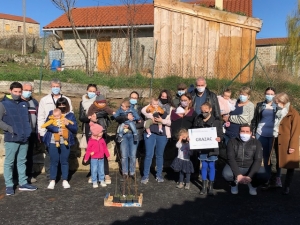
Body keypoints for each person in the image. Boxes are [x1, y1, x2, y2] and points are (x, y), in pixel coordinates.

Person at [0, 82, 37, 196]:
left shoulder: (24, 104)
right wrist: (9, 129)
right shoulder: (3, 104)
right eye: (15, 91)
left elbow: (26, 120)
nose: (17, 94)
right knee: (9, 163)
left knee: (22, 161)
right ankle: (9, 185)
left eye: (19, 92)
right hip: (12, 138)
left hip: (24, 137)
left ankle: (23, 183)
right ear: (10, 91)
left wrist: (27, 131)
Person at [37, 78, 73, 180]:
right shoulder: (44, 100)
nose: (55, 88)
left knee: (63, 154)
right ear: (50, 87)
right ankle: (51, 176)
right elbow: (41, 116)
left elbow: (71, 114)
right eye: (54, 86)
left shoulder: (67, 99)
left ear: (60, 87)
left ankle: (62, 175)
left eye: (57, 86)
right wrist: (42, 132)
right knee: (50, 155)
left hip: (64, 131)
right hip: (49, 132)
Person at [222, 124, 268, 195]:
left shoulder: (257, 143)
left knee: (264, 176)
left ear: (251, 133)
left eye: (247, 131)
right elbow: (231, 158)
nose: (245, 133)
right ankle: (234, 184)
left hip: (250, 166)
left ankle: (253, 185)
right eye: (242, 131)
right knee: (226, 174)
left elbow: (258, 160)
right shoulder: (232, 142)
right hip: (237, 165)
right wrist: (238, 174)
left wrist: (250, 176)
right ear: (239, 132)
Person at [43, 97, 77, 189]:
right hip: (53, 141)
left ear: (67, 105)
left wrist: (68, 124)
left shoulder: (70, 115)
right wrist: (57, 129)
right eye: (59, 105)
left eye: (63, 104)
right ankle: (52, 180)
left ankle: (65, 179)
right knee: (54, 161)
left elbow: (75, 129)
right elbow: (47, 125)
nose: (61, 106)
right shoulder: (52, 112)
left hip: (65, 141)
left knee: (64, 161)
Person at [141, 90, 173, 184]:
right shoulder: (152, 105)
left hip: (162, 134)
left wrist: (161, 121)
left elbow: (170, 122)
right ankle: (145, 175)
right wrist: (152, 115)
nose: (163, 98)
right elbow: (144, 111)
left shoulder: (170, 108)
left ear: (168, 98)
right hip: (150, 132)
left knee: (159, 155)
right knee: (148, 154)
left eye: (165, 97)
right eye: (162, 96)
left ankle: (159, 175)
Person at [251, 87, 279, 188]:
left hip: (273, 135)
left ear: (275, 95)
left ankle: (274, 178)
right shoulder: (259, 105)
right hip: (260, 133)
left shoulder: (278, 106)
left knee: (273, 157)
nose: (269, 95)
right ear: (264, 94)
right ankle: (260, 178)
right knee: (261, 156)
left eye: (271, 93)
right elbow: (254, 120)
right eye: (267, 93)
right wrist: (253, 132)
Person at [272, 93, 300, 195]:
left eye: (277, 102)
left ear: (283, 101)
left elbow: (296, 131)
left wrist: (292, 146)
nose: (275, 104)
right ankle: (274, 182)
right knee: (274, 163)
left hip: (287, 143)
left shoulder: (294, 113)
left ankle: (287, 186)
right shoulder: (277, 111)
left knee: (290, 166)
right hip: (276, 140)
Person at [193, 102, 223, 195]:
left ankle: (211, 186)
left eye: (206, 110)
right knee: (204, 166)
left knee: (211, 166)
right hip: (202, 148)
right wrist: (191, 138)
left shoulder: (216, 121)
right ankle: (204, 186)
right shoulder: (198, 120)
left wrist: (220, 138)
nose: (204, 112)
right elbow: (194, 131)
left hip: (212, 149)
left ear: (210, 110)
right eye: (202, 110)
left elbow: (221, 134)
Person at [114, 91, 144, 179]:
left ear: (137, 99)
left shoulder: (139, 109)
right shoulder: (122, 107)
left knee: (133, 155)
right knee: (124, 155)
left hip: (133, 134)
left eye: (135, 98)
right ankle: (125, 173)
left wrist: (132, 126)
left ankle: (132, 172)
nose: (133, 99)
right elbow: (117, 118)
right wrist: (126, 118)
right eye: (132, 97)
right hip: (123, 134)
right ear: (129, 97)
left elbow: (141, 123)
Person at [171, 93, 198, 178]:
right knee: (178, 157)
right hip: (177, 138)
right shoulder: (176, 111)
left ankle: (190, 175)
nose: (183, 102)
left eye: (185, 100)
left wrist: (189, 137)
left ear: (190, 101)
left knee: (189, 158)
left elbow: (195, 126)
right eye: (182, 100)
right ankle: (179, 176)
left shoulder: (193, 113)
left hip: (188, 140)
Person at [21, 82, 39, 183]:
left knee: (29, 155)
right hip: (21, 133)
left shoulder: (34, 102)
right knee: (19, 156)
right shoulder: (18, 102)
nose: (28, 92)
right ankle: (17, 176)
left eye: (29, 90)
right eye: (25, 90)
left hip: (32, 133)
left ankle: (29, 175)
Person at [84, 123, 110, 188]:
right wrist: (86, 158)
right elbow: (88, 150)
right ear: (96, 133)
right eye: (101, 132)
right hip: (94, 158)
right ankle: (94, 181)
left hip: (101, 158)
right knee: (94, 170)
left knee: (101, 169)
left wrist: (108, 155)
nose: (102, 133)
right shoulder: (91, 141)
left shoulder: (102, 140)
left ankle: (102, 180)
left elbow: (105, 148)